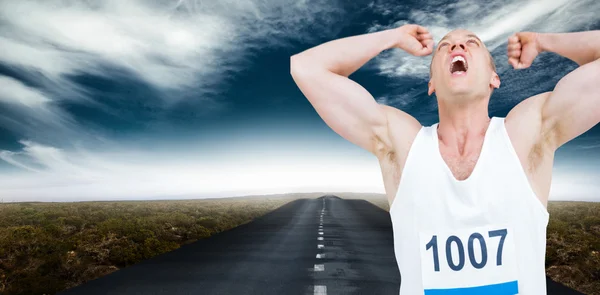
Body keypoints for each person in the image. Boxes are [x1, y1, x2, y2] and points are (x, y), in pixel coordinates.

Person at [290, 24, 599, 294]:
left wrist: (544, 41)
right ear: (432, 83)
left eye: (472, 43)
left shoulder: (526, 134)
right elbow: (306, 67)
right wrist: (392, 37)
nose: (457, 46)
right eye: (445, 46)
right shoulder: (402, 145)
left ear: (494, 78)